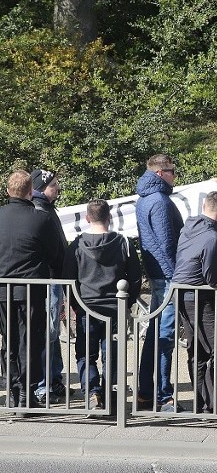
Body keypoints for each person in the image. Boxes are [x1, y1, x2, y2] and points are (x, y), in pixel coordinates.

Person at [63, 199, 142, 412]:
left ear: (87, 218)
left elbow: (68, 280)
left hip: (86, 307)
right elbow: (135, 277)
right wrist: (128, 301)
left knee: (85, 354)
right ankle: (111, 395)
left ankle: (92, 393)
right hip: (115, 307)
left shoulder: (76, 246)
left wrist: (74, 305)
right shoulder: (123, 243)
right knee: (113, 353)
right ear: (110, 217)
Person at [0, 170, 65, 412]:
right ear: (30, 192)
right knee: (31, 341)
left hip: (3, 290)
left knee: (11, 341)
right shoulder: (41, 218)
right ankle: (26, 394)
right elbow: (56, 254)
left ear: (8, 191)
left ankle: (14, 393)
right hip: (32, 289)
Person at [173, 191, 217, 414]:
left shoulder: (188, 228)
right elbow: (213, 278)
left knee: (197, 352)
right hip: (199, 298)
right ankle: (210, 404)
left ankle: (201, 403)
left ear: (204, 207)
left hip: (183, 295)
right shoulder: (212, 238)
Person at [135, 154, 184, 413]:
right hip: (167, 277)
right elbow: (167, 245)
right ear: (160, 173)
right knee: (164, 338)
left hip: (158, 275)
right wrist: (176, 277)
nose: (175, 175)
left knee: (155, 336)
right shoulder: (160, 201)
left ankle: (145, 392)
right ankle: (163, 396)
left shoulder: (145, 199)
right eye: (172, 170)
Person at [30, 168, 70, 405]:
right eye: (54, 184)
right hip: (49, 280)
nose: (58, 188)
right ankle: (44, 385)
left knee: (53, 333)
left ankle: (54, 378)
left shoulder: (46, 208)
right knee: (49, 332)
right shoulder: (39, 210)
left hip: (54, 279)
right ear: (42, 187)